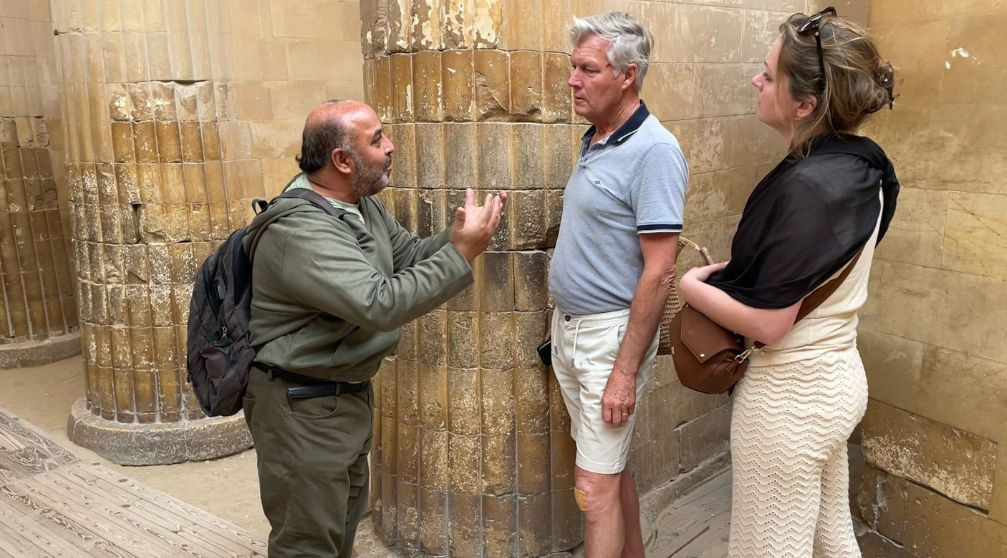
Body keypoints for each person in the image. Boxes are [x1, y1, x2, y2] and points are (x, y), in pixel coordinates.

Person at [241, 99, 506, 557]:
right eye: (377, 139)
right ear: (342, 161)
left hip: (342, 397)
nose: (391, 146)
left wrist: (455, 237)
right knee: (308, 545)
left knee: (339, 530)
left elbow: (406, 257)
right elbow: (380, 302)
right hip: (299, 408)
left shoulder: (359, 204)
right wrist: (462, 254)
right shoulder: (300, 231)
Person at [679, 8, 899, 558]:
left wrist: (692, 287)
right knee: (830, 541)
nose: (757, 81)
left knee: (768, 548)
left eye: (769, 75)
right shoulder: (865, 167)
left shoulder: (806, 187)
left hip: (789, 401)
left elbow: (772, 324)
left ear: (805, 105)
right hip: (838, 380)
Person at [548, 12, 689, 558]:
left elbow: (659, 273)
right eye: (572, 67)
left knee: (593, 489)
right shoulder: (598, 138)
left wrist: (623, 374)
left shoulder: (654, 152)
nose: (572, 80)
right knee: (609, 471)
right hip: (573, 332)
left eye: (587, 69)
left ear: (627, 75)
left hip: (610, 340)